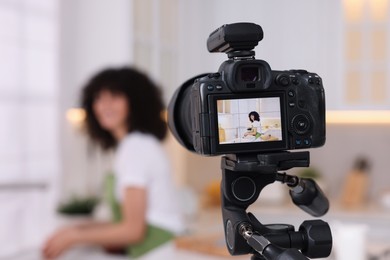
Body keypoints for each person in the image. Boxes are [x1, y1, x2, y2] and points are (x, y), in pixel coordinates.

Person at [43, 67, 183, 259]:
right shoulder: (133, 144)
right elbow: (129, 222)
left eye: (114, 96)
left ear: (135, 102)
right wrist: (77, 228)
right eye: (98, 98)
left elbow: (133, 230)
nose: (104, 105)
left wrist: (74, 237)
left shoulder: (136, 147)